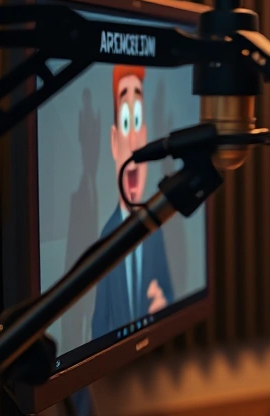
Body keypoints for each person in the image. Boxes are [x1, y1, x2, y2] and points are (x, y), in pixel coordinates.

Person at [92, 65, 174, 339]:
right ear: (115, 143)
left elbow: (168, 294)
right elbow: (99, 324)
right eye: (126, 123)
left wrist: (162, 306)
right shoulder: (107, 237)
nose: (133, 142)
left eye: (137, 122)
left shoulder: (155, 228)